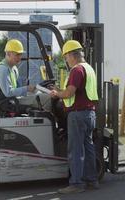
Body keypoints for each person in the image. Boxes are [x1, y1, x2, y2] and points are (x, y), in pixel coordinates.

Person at [50, 40, 99, 194]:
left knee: (76, 150)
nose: (66, 60)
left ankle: (76, 183)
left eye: (66, 57)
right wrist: (59, 89)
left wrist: (57, 93)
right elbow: (79, 91)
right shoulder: (88, 68)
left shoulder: (77, 70)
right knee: (88, 147)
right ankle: (92, 180)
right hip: (89, 114)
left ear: (72, 55)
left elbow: (69, 93)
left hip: (77, 115)